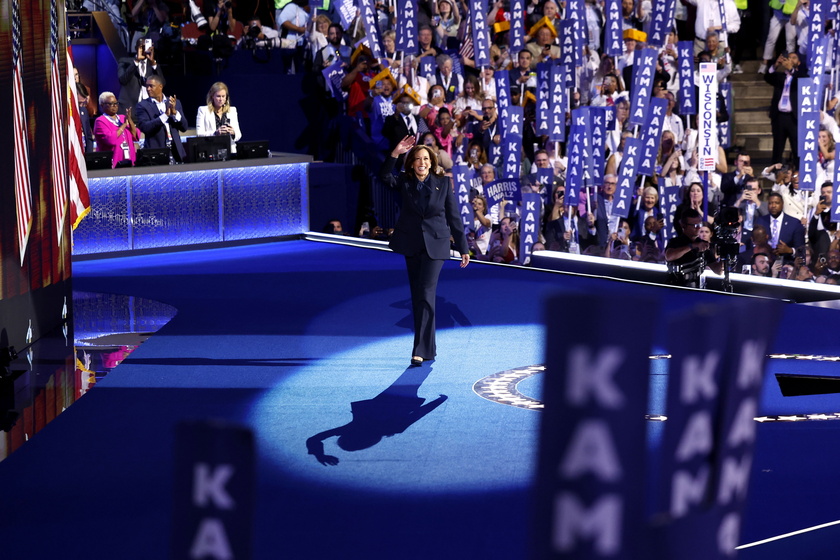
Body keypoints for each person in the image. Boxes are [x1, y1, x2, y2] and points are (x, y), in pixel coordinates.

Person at [380, 136, 470, 366]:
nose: (422, 162)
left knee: (426, 294)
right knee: (418, 296)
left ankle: (419, 349)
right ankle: (429, 348)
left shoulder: (443, 183)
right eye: (417, 159)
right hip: (411, 244)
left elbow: (454, 216)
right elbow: (384, 177)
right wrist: (395, 153)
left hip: (436, 246)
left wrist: (463, 247)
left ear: (432, 162)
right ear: (411, 163)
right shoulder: (405, 182)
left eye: (425, 159)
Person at [134, 75, 188, 163]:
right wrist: (165, 116)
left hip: (176, 152)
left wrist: (175, 113)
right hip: (156, 152)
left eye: (151, 86)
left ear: (160, 86)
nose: (148, 89)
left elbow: (184, 127)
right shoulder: (142, 105)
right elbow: (145, 128)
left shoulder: (175, 103)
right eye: (147, 86)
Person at [665, 209, 723, 287]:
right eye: (695, 226)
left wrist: (725, 256)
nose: (698, 228)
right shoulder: (676, 242)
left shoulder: (703, 244)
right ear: (683, 225)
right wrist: (692, 246)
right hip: (676, 287)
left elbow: (718, 271)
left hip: (697, 289)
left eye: (699, 225)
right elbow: (669, 256)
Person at [756, 191, 806, 264]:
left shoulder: (794, 223)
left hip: (787, 263)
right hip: (764, 263)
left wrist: (790, 250)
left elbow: (802, 251)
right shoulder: (760, 221)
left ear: (782, 205)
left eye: (777, 203)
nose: (773, 205)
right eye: (770, 203)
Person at [93, 91, 140, 168]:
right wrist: (124, 125)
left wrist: (129, 120)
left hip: (129, 158)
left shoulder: (122, 117)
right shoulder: (100, 121)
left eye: (116, 103)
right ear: (102, 106)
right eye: (110, 104)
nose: (114, 106)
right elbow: (111, 139)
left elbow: (135, 135)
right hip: (113, 160)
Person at [117, 38, 162, 113]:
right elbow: (123, 80)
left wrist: (153, 63)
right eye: (142, 47)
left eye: (146, 47)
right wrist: (136, 61)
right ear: (136, 48)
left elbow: (162, 83)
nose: (144, 50)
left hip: (148, 109)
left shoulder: (152, 64)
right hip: (129, 108)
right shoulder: (125, 61)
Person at [196, 82, 242, 153]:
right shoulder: (203, 110)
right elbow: (199, 134)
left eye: (223, 96)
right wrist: (215, 133)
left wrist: (233, 133)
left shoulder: (232, 111)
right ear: (212, 96)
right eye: (218, 96)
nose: (221, 99)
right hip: (211, 150)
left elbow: (238, 135)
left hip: (230, 150)